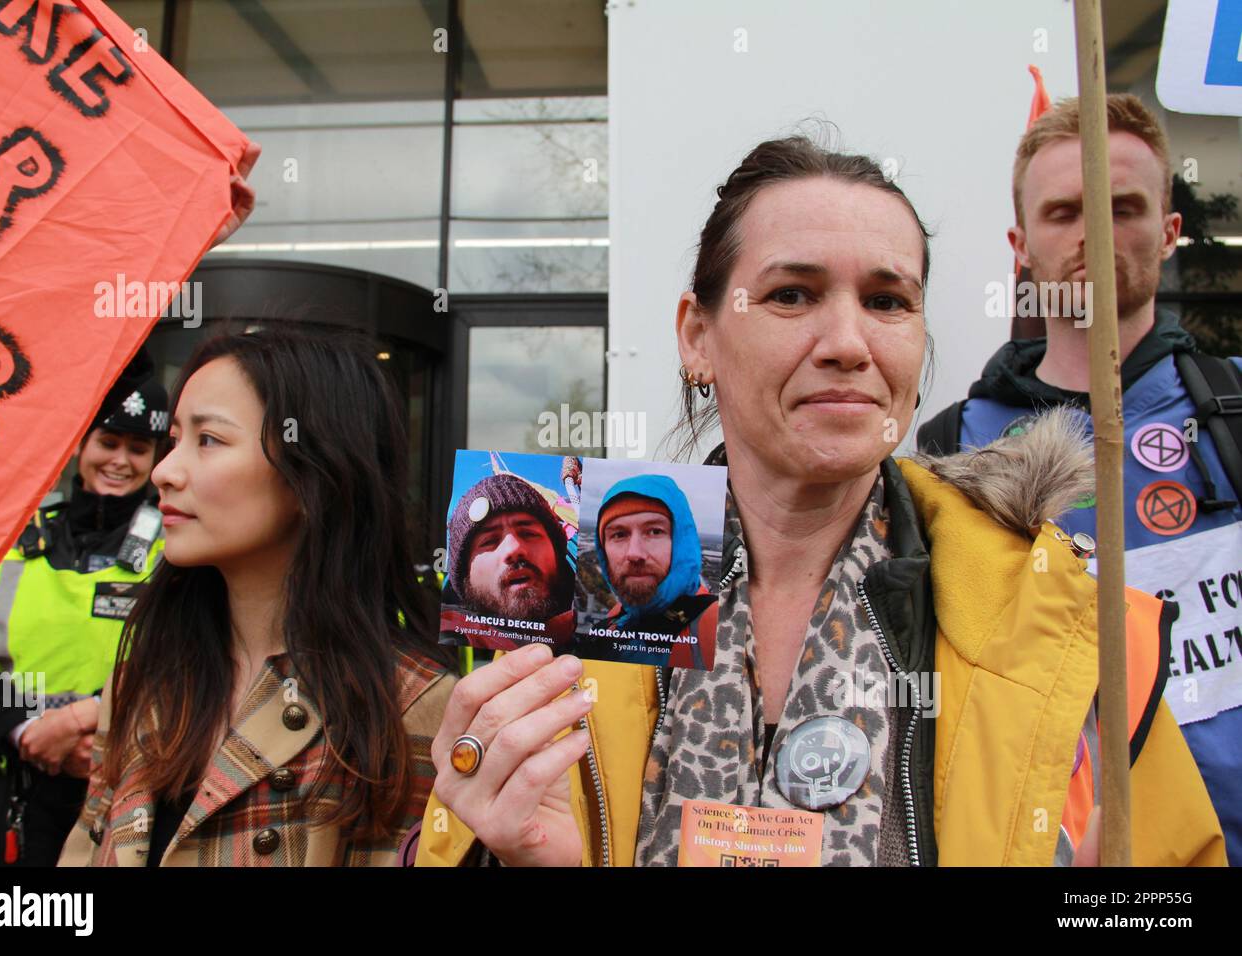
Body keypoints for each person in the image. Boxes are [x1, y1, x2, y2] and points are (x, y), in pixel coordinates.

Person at [416, 135, 1225, 867]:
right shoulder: (570, 628)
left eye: (887, 301)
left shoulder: (1066, 628)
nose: (847, 344)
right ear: (698, 337)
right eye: (792, 295)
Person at [917, 94, 1242, 865]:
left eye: (1122, 205)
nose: (1094, 230)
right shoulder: (956, 452)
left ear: (1169, 234)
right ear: (1020, 244)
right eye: (1064, 211)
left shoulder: (1231, 409)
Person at [58, 324, 455, 866]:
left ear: (313, 474)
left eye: (209, 440)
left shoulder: (410, 707)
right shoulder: (142, 682)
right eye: (174, 440)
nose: (164, 471)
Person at [0, 363, 168, 867]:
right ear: (79, 444)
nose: (121, 461)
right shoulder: (16, 538)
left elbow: (187, 666)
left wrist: (84, 730)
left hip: (126, 797)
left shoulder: (175, 550)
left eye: (138, 449)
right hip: (15, 792)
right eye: (108, 442)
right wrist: (27, 729)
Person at [589, 475, 718, 669]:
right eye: (619, 534)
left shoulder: (715, 626)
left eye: (654, 532)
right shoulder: (616, 619)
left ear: (682, 541)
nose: (634, 553)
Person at [440, 473, 577, 651]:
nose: (513, 549)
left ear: (557, 550)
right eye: (489, 541)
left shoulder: (609, 627)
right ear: (464, 573)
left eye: (529, 533)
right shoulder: (443, 648)